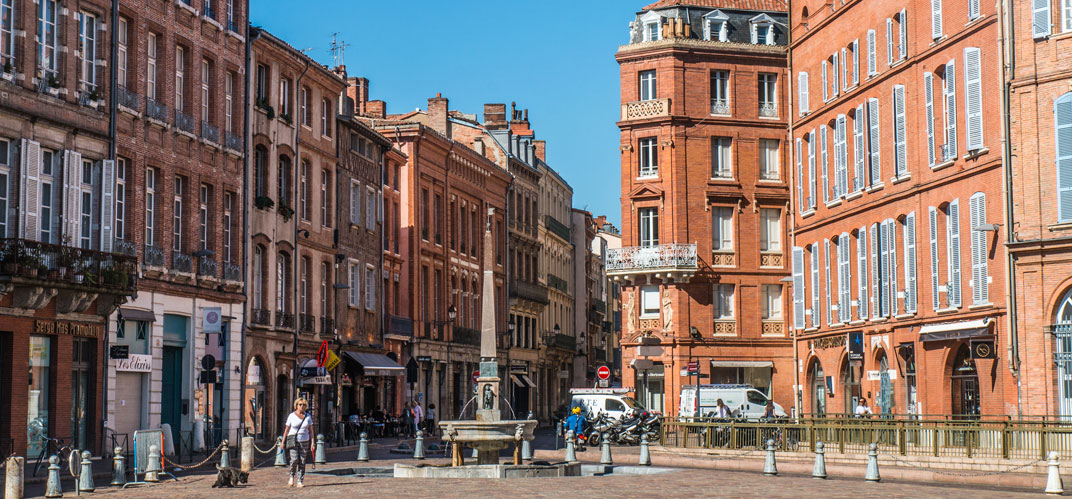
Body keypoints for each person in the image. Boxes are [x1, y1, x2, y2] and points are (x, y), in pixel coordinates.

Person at [282, 398, 315, 488]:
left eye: (304, 405)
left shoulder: (308, 416)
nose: (302, 406)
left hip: (305, 440)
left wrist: (313, 442)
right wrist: (283, 442)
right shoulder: (291, 416)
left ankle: (300, 480)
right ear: (296, 405)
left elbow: (311, 430)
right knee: (294, 459)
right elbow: (286, 430)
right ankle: (292, 476)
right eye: (300, 404)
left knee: (303, 461)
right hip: (293, 440)